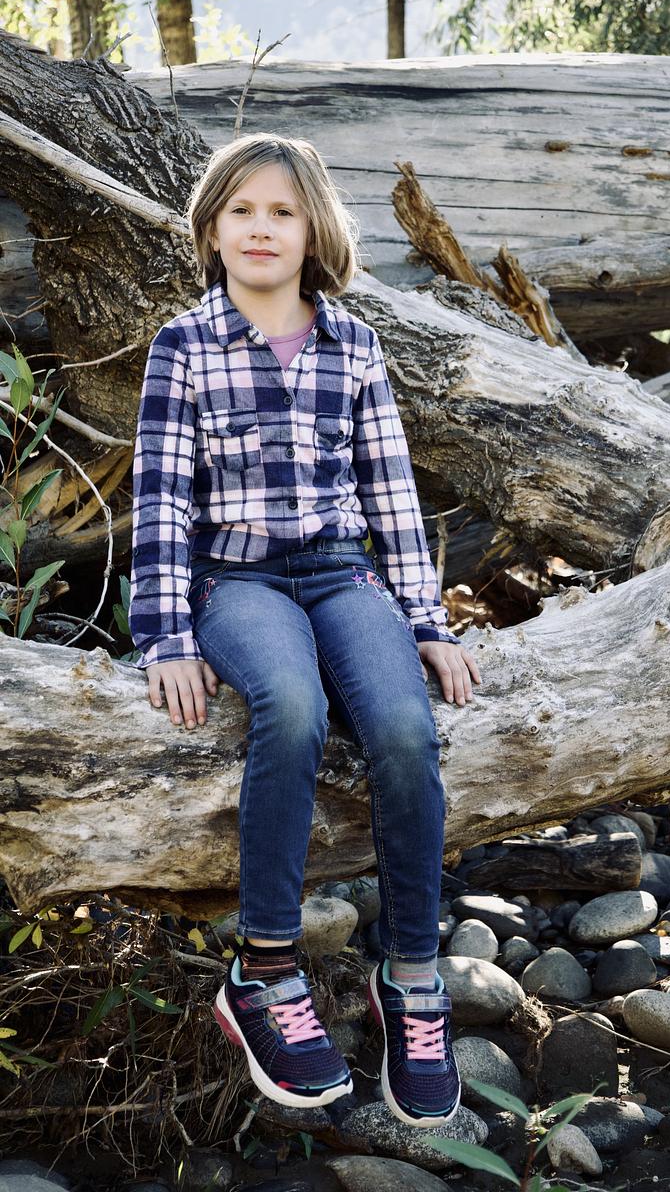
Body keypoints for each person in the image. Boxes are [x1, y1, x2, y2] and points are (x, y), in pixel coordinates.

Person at [128, 132, 482, 1128]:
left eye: (281, 212)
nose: (260, 228)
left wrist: (425, 621)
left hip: (339, 574)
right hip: (235, 580)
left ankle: (410, 975)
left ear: (314, 231)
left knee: (405, 729)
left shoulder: (353, 346)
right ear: (210, 231)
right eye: (240, 211)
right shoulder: (183, 346)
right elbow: (160, 502)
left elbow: (391, 495)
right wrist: (167, 637)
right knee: (289, 706)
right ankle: (265, 971)